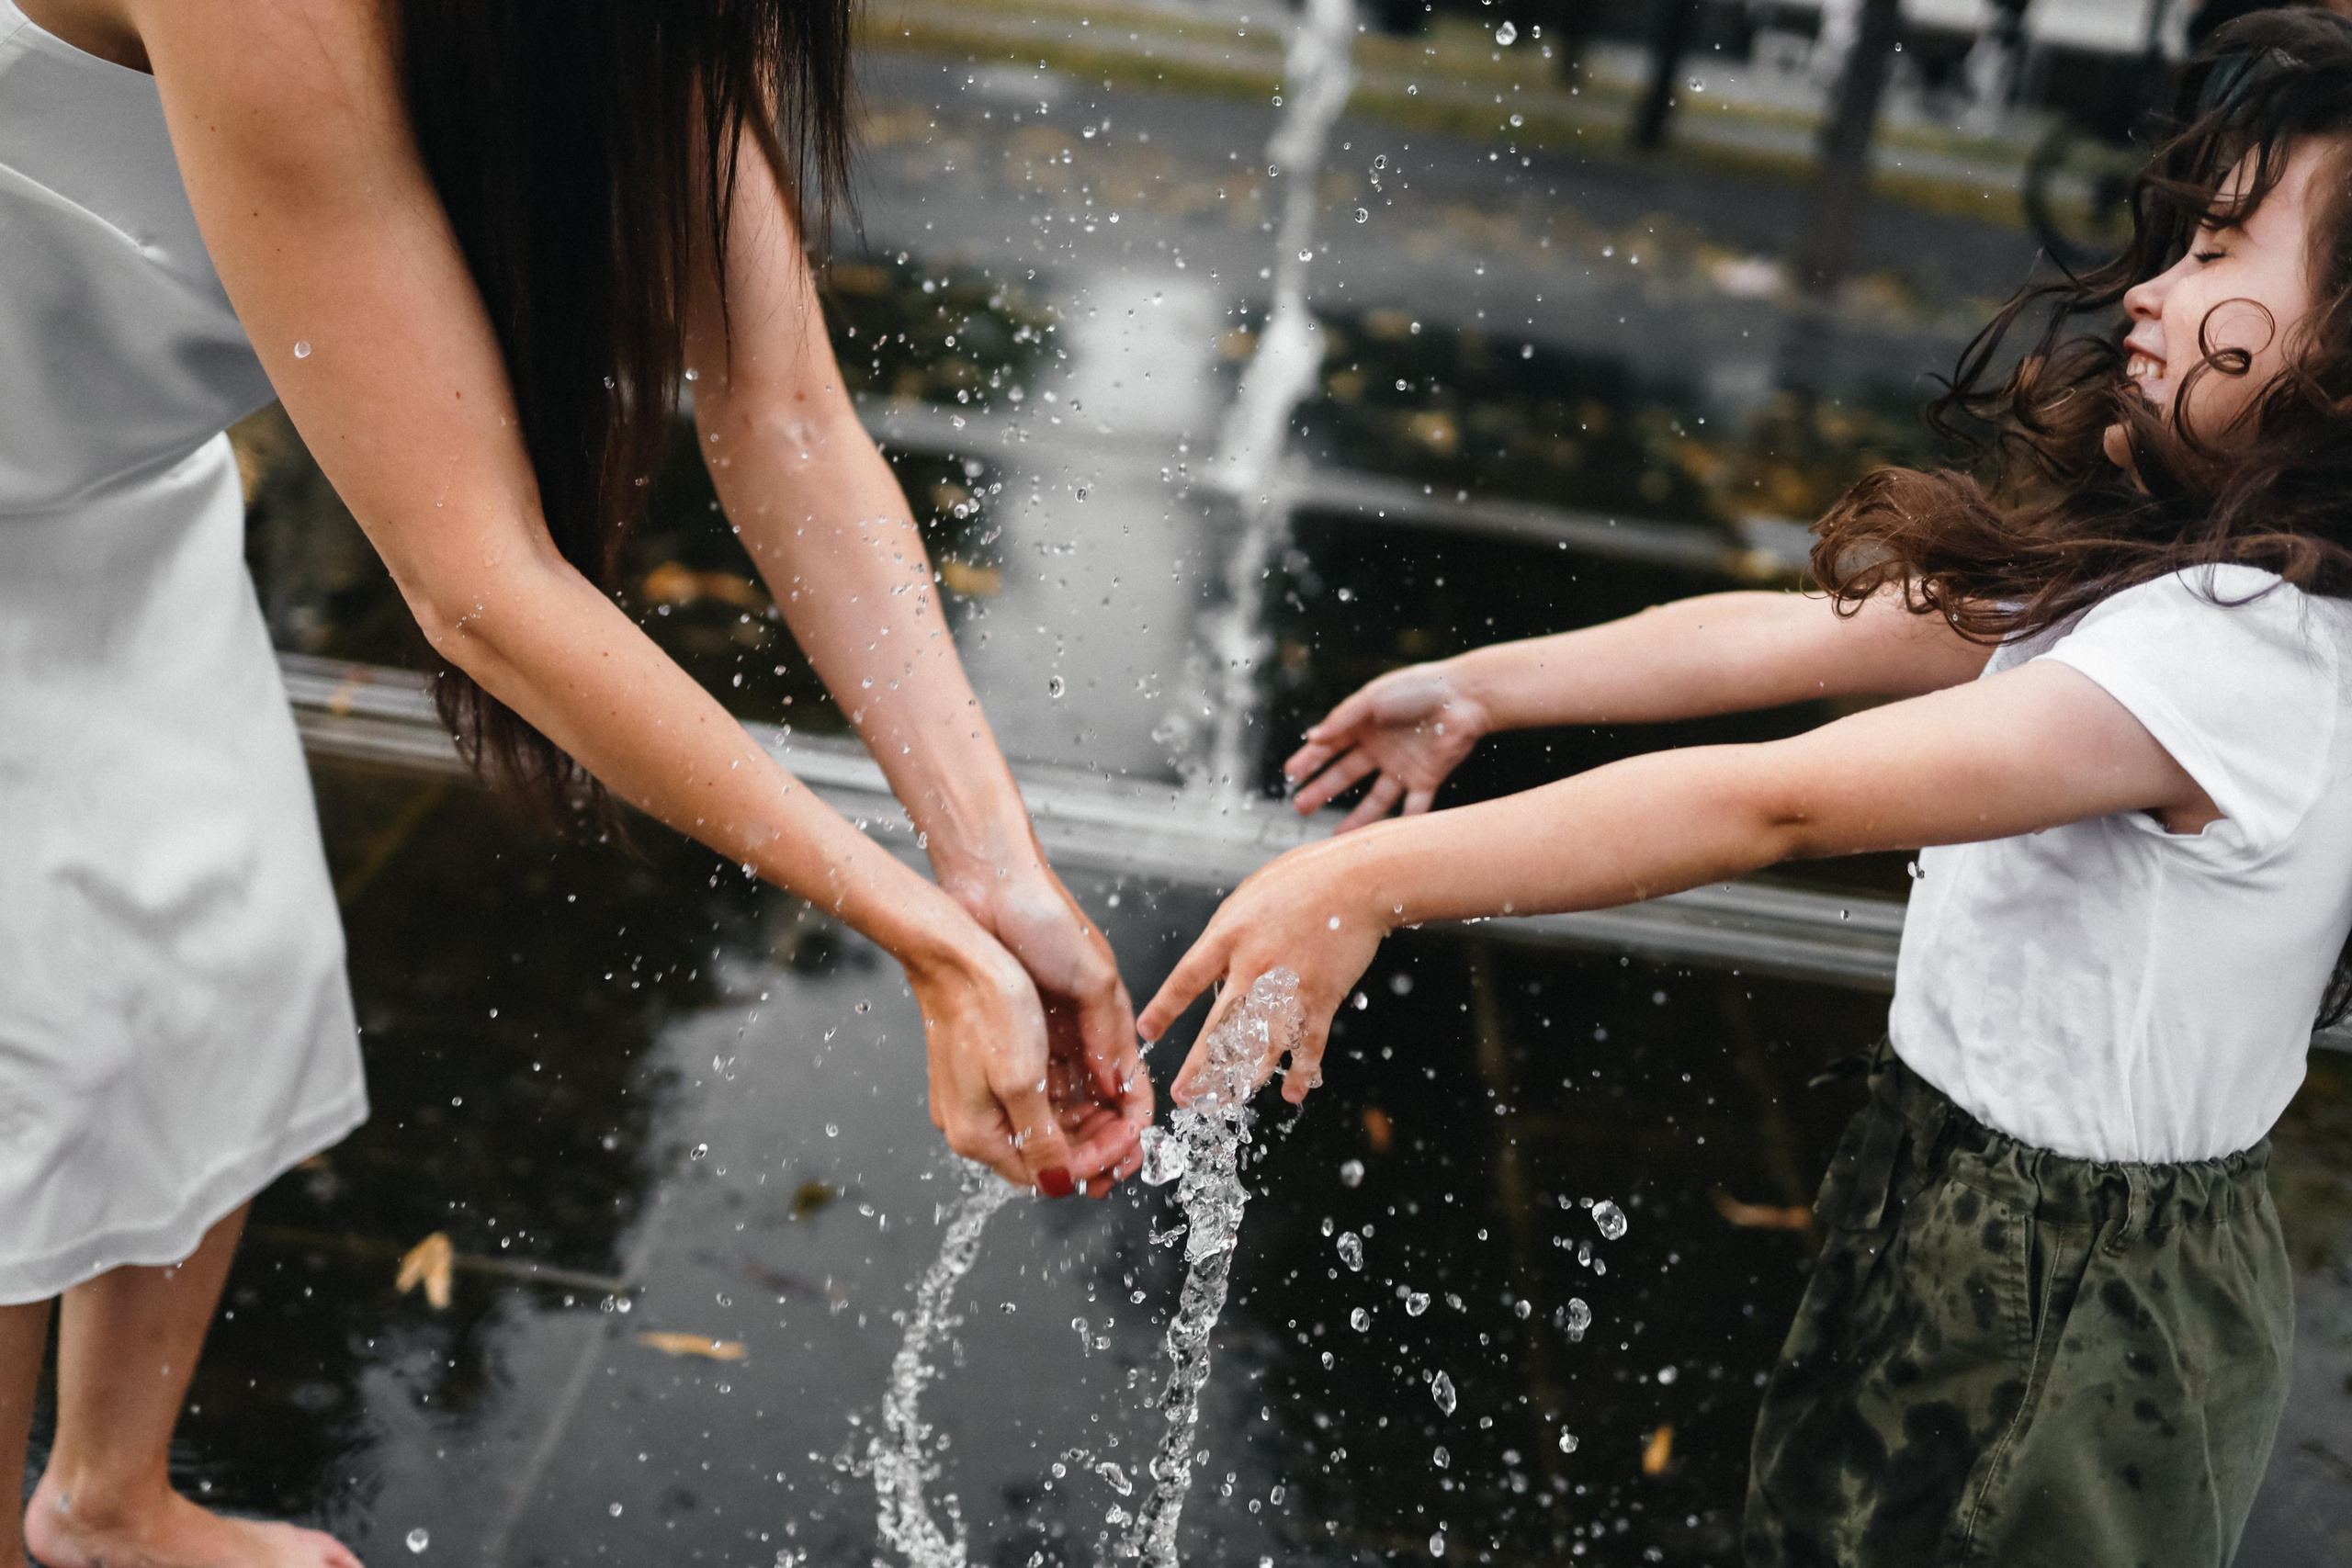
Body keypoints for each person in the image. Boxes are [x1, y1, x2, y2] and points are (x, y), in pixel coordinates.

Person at [1143, 12, 2352, 1565]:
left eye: (2220, 253)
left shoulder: (2242, 660)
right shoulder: (2164, 581)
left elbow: (1775, 801)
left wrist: (1363, 880)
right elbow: (1791, 638)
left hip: (2077, 1302)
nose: (2151, 292)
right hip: (1956, 1202)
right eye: (2175, 243)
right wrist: (1486, 689)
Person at [0, 1, 1148, 1563]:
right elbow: (474, 575)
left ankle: (107, 1507)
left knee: (224, 956)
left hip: (102, 477)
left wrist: (991, 868)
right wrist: (919, 937)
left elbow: (787, 411)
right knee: (25, 1060)